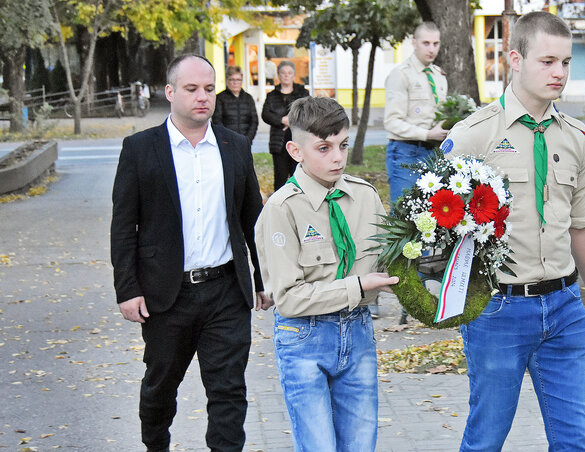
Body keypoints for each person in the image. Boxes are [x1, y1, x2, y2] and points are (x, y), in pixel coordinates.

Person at [443, 12, 585, 451]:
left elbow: (583, 226)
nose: (559, 72)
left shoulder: (577, 138)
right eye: (547, 61)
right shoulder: (472, 137)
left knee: (573, 441)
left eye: (565, 62)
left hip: (565, 308)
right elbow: (438, 227)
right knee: (486, 438)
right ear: (514, 59)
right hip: (498, 311)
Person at [110, 54, 272, 452]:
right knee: (160, 386)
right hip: (167, 296)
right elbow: (123, 227)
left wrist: (263, 279)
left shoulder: (235, 146)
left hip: (226, 293)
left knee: (229, 391)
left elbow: (254, 218)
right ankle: (156, 446)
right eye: (191, 89)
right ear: (169, 92)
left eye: (207, 89)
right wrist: (127, 289)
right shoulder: (140, 148)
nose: (203, 97)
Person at [254, 96, 399, 452]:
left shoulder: (365, 197)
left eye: (342, 145)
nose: (337, 157)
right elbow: (288, 299)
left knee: (360, 445)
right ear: (295, 150)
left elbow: (392, 263)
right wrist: (359, 286)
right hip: (304, 339)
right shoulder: (281, 209)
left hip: (358, 333)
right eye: (323, 147)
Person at [384, 21, 449, 206]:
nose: (431, 49)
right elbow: (391, 122)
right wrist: (428, 134)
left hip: (434, 152)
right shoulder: (401, 74)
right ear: (414, 43)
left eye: (436, 44)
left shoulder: (439, 75)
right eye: (426, 43)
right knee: (404, 213)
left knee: (430, 212)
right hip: (406, 152)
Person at [262, 60, 310, 190]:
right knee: (280, 178)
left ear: (294, 75)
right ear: (278, 75)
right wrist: (281, 120)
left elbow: (308, 111)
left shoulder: (302, 92)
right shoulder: (272, 95)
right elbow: (265, 114)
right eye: (283, 73)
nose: (286, 75)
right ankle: (280, 206)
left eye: (289, 73)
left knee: (300, 176)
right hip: (279, 142)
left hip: (298, 140)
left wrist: (291, 120)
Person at [213, 66, 259, 144]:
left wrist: (248, 139)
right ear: (227, 81)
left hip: (245, 141)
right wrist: (225, 138)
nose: (235, 83)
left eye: (238, 80)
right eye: (232, 80)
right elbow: (217, 121)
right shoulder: (219, 98)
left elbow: (254, 121)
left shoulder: (248, 98)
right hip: (227, 142)